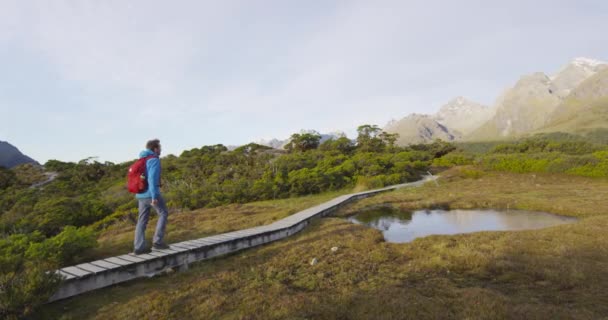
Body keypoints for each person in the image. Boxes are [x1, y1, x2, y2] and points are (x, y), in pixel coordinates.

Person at [133, 139, 170, 254]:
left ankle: (139, 247)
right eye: (159, 148)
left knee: (142, 220)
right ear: (155, 149)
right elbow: (152, 179)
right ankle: (157, 241)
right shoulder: (154, 160)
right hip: (150, 193)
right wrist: (154, 196)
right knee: (163, 213)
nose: (161, 150)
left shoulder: (142, 159)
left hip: (140, 194)